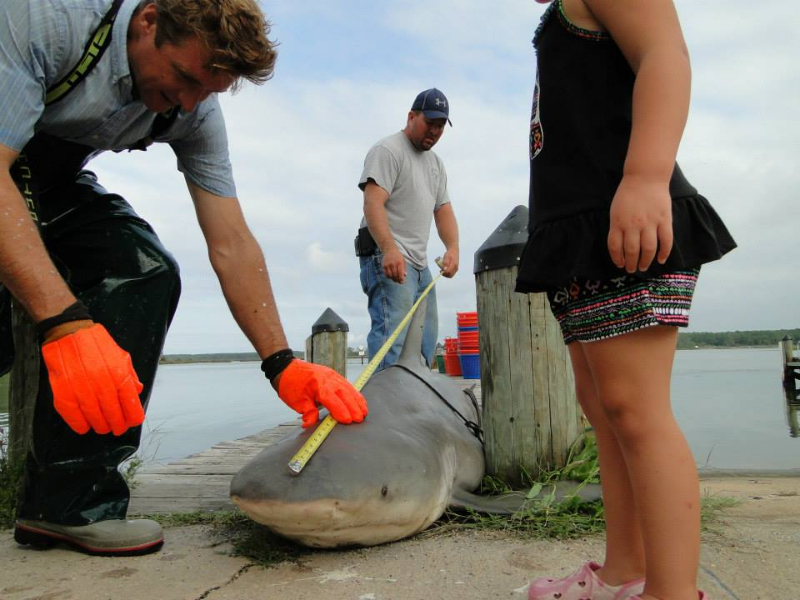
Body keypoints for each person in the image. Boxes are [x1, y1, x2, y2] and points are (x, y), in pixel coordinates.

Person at [0, 0, 367, 556]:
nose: (192, 102)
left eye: (209, 92)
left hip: (47, 185)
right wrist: (64, 323)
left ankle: (68, 504)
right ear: (148, 21)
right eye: (186, 79)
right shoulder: (47, 21)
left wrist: (281, 362)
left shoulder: (195, 109)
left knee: (142, 271)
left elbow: (231, 242)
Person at [517, 1, 737, 599]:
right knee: (603, 405)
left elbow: (665, 53)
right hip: (580, 236)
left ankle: (669, 592)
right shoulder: (556, 14)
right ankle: (624, 572)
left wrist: (645, 176)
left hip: (629, 227)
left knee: (637, 410)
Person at [356, 88, 459, 371]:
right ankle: (380, 411)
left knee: (426, 345)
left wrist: (453, 248)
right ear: (411, 116)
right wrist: (389, 249)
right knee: (392, 344)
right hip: (387, 259)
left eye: (440, 126)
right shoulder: (387, 150)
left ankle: (417, 406)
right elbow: (372, 203)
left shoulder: (436, 164)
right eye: (430, 123)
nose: (435, 131)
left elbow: (443, 210)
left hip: (420, 267)